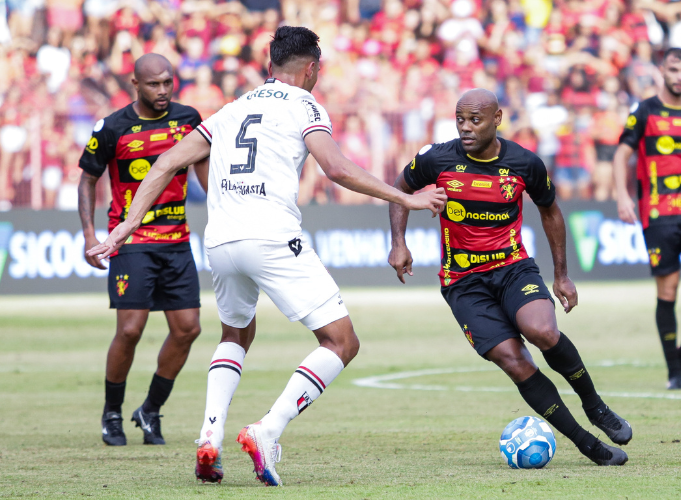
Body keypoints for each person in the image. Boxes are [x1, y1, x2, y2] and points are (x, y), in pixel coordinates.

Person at [87, 26, 446, 486]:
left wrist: (127, 224)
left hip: (220, 242)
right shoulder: (305, 105)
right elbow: (335, 167)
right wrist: (408, 198)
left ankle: (209, 436)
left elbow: (165, 163)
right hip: (271, 237)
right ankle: (267, 430)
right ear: (311, 69)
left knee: (236, 332)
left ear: (268, 64)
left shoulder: (232, 108)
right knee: (341, 342)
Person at [388, 88, 631, 467]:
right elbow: (399, 189)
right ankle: (588, 446)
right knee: (515, 361)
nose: (465, 128)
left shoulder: (524, 163)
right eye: (460, 120)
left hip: (512, 267)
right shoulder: (436, 158)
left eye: (475, 120)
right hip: (463, 281)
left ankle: (595, 406)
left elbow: (551, 211)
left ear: (497, 119)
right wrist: (398, 242)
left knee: (544, 332)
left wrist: (562, 275)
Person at [78, 54, 207, 446]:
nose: (164, 90)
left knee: (188, 330)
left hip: (177, 241)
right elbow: (87, 180)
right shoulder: (113, 127)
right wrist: (89, 235)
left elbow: (206, 174)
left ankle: (150, 409)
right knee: (131, 330)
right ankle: (112, 413)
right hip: (130, 242)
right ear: (135, 84)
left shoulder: (189, 120)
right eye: (154, 84)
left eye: (168, 82)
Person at [613, 47, 681, 391]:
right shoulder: (644, 111)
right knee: (669, 288)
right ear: (662, 70)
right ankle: (674, 372)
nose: (679, 77)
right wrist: (622, 195)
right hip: (659, 212)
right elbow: (622, 154)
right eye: (673, 70)